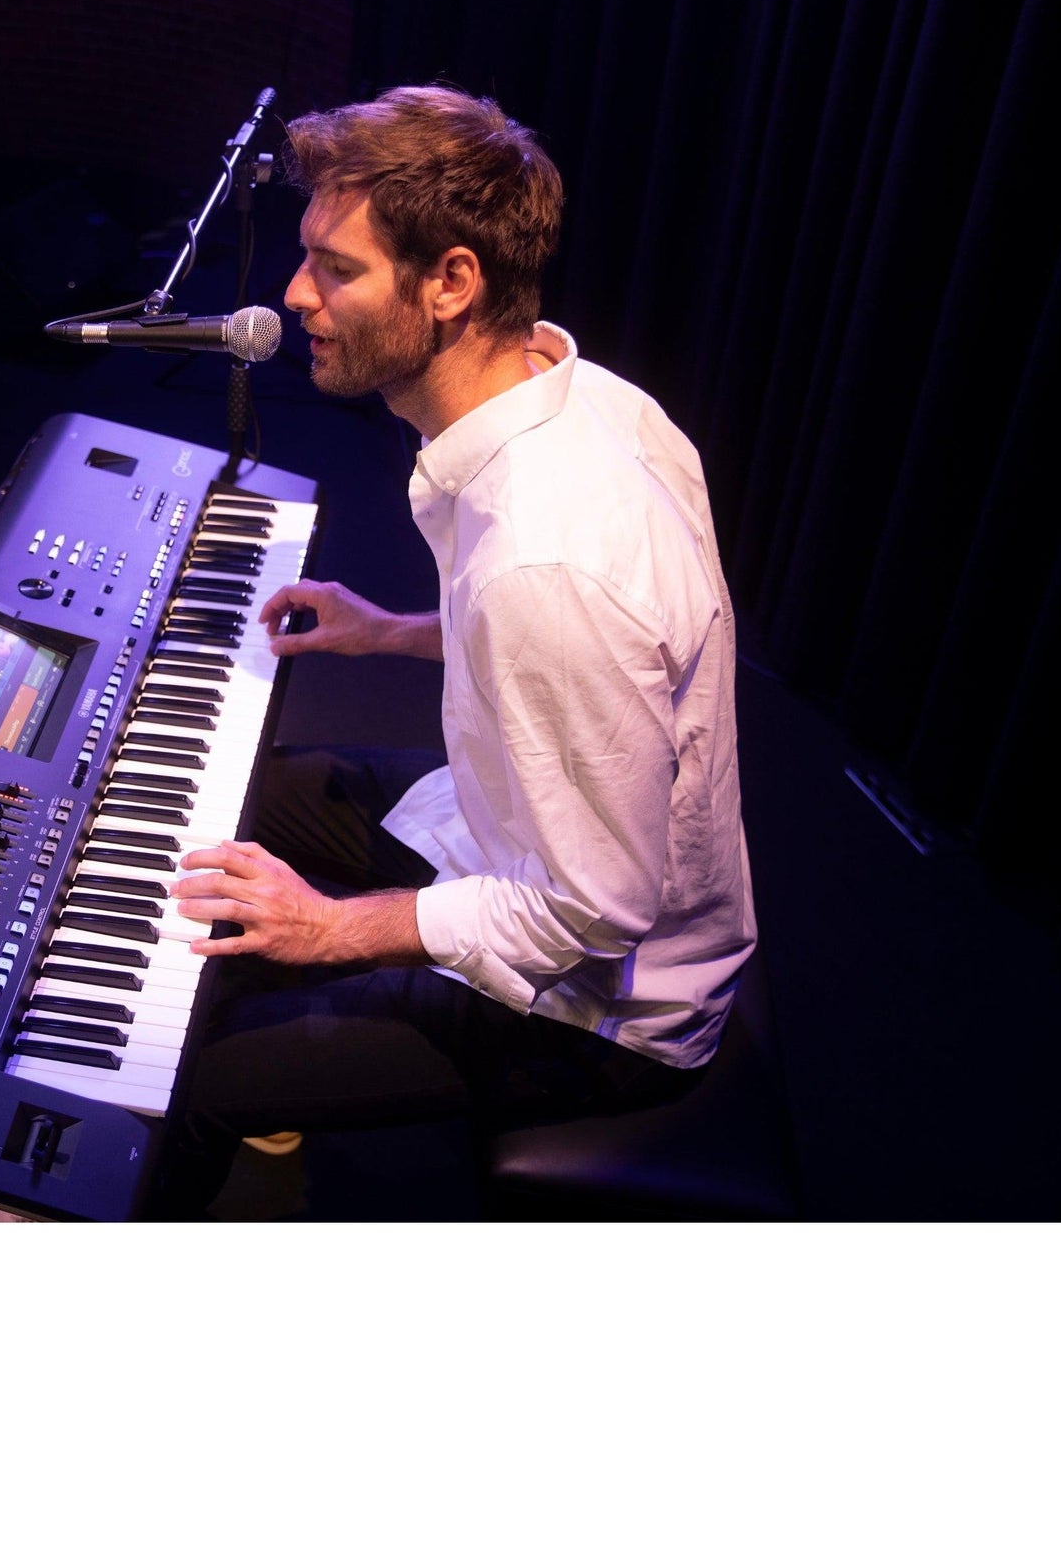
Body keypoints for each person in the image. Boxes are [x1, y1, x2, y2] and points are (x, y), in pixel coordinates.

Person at [154, 84, 757, 1216]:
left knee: (202, 1080)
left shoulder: (545, 557)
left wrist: (331, 929)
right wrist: (389, 630)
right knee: (243, 802)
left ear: (450, 283)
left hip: (600, 1008)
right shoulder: (586, 395)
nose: (293, 296)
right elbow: (603, 655)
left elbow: (593, 912)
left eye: (335, 268)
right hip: (508, 830)